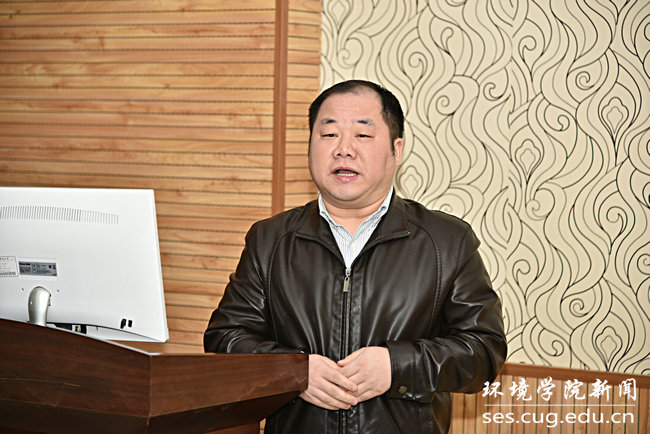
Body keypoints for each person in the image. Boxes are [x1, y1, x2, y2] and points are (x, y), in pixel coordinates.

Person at [204, 80, 507, 433]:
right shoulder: (269, 239)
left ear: (396, 150)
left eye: (362, 135)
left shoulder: (447, 241)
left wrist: (396, 366)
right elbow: (225, 338)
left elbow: (484, 351)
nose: (343, 149)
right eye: (329, 134)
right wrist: (291, 371)